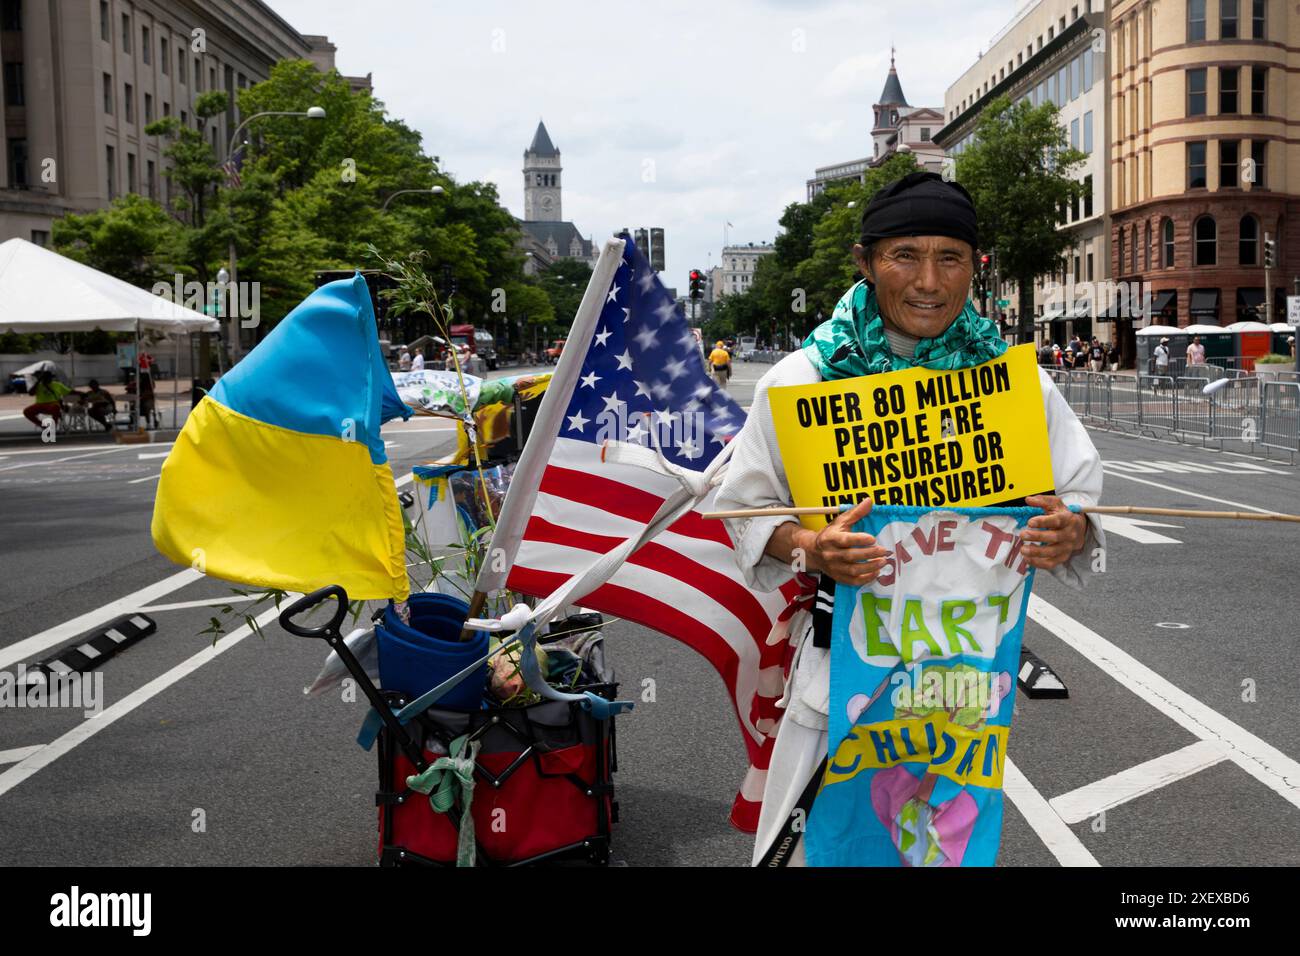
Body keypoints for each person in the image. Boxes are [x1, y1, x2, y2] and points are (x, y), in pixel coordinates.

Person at [712, 170, 1105, 867]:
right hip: (841, 685)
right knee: (829, 849)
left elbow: (1076, 497)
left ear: (974, 270)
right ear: (866, 262)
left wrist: (1070, 530)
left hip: (965, 691)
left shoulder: (1017, 385)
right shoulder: (805, 379)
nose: (929, 281)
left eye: (950, 258)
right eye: (906, 256)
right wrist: (810, 544)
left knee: (939, 849)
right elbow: (743, 508)